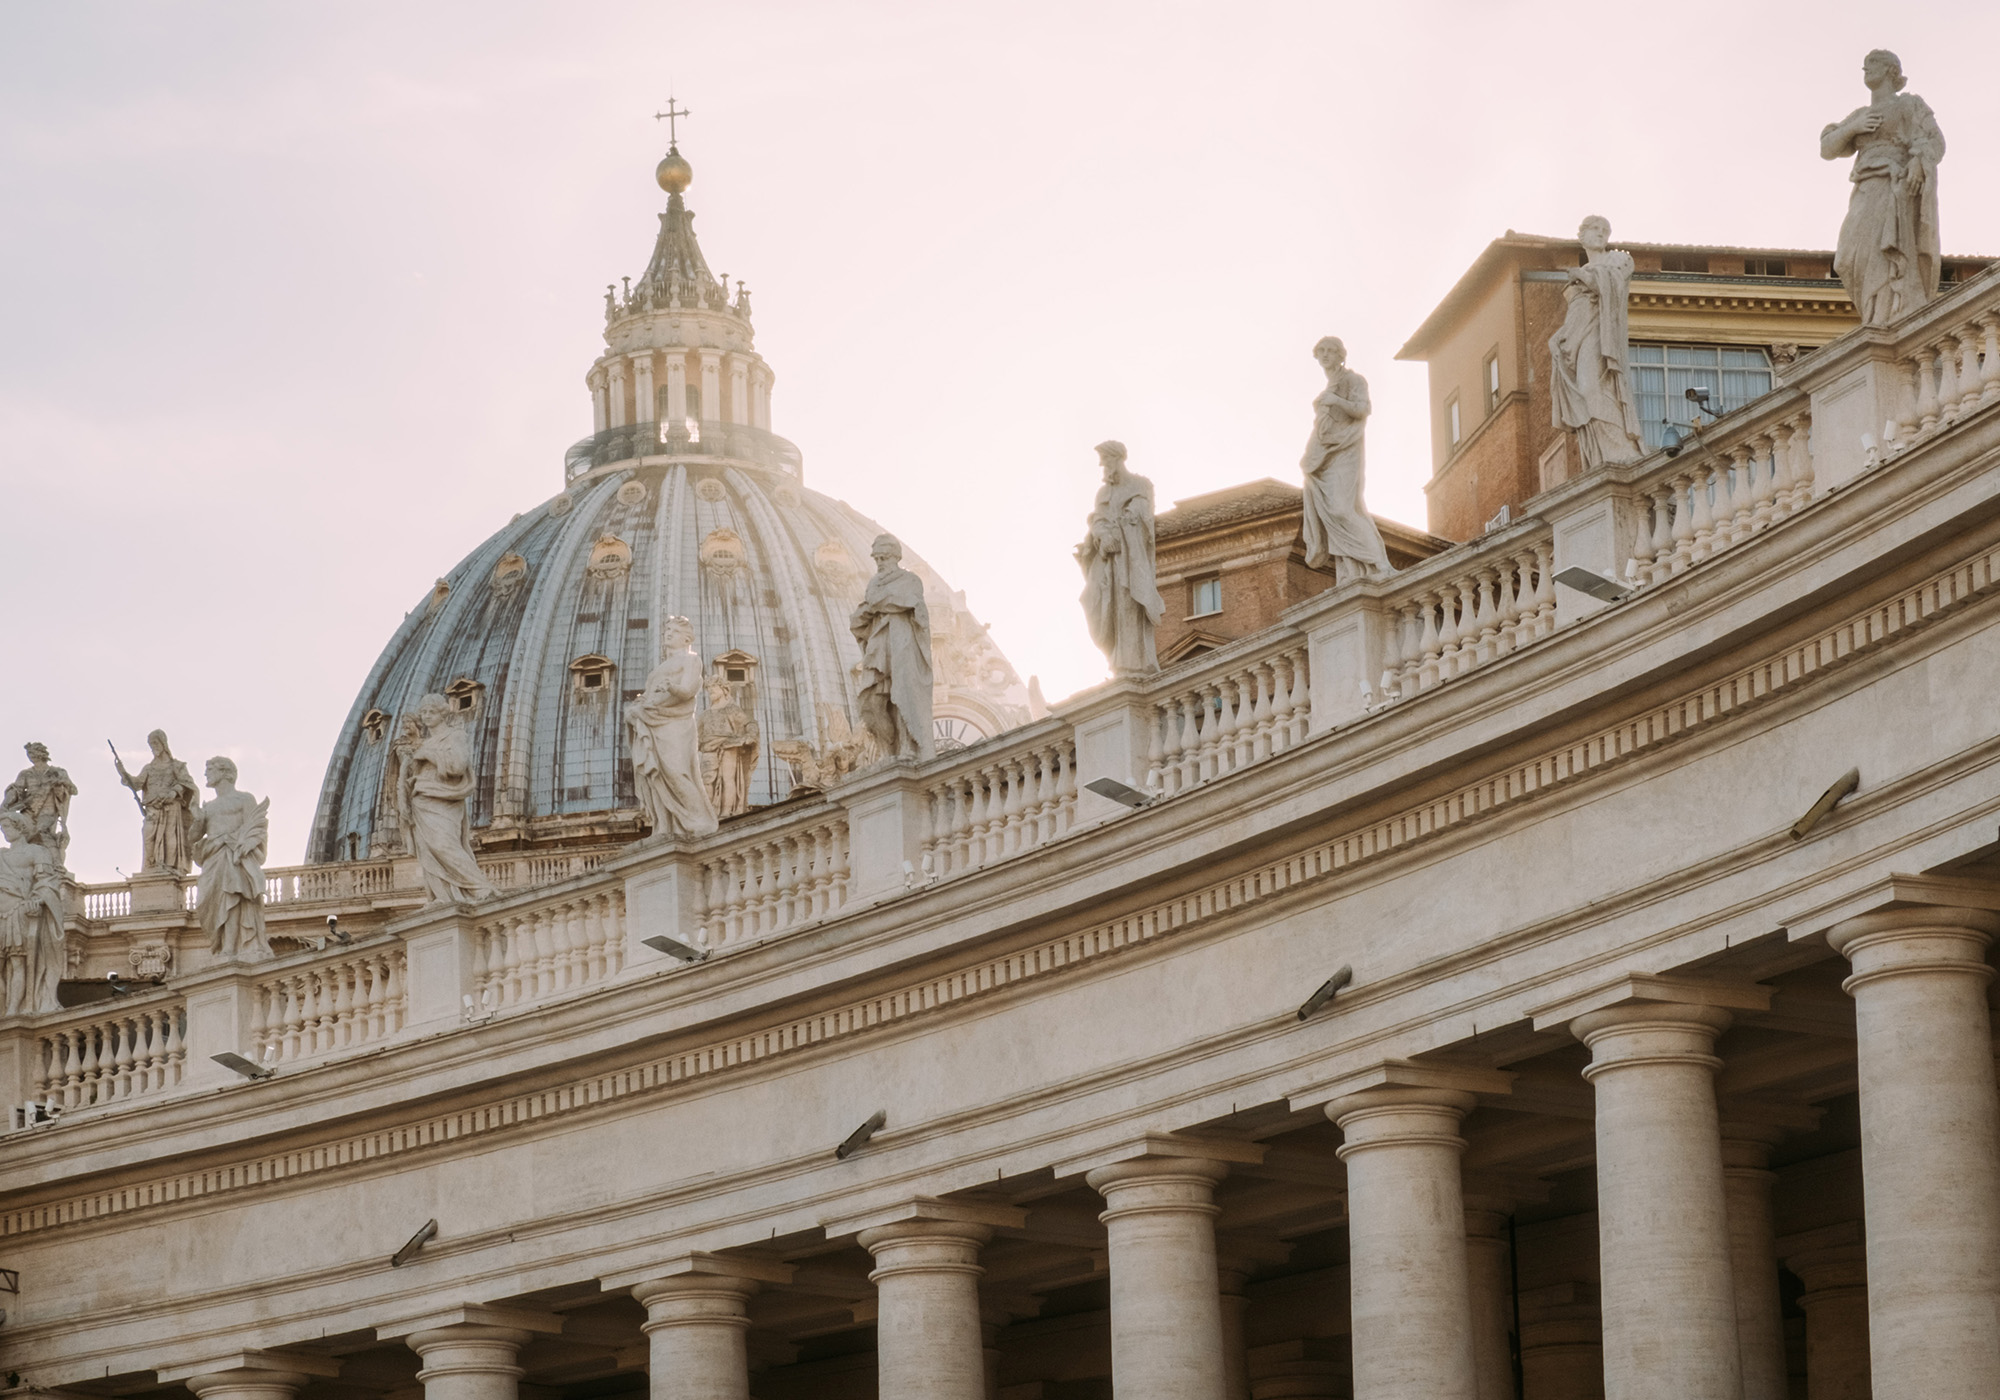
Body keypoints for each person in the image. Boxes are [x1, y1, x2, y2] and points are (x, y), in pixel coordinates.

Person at [1822, 49, 1945, 328]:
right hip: (1865, 189)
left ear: (1891, 70)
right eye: (1865, 64)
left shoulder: (1909, 105)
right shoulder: (1860, 115)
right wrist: (1852, 128)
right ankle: (1873, 314)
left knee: (1883, 250)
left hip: (1894, 186)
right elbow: (1827, 148)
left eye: (1873, 63)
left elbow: (1934, 141)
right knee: (1847, 258)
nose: (1865, 68)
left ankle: (1885, 315)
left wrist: (1918, 163)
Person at [1549, 215, 1646, 471]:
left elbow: (1613, 285)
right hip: (1578, 335)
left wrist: (1585, 276)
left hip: (1602, 335)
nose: (1601, 233)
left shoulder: (1617, 259)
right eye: (1594, 229)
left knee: (1591, 387)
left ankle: (1620, 450)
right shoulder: (1583, 271)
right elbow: (1577, 311)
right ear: (1581, 236)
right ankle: (1599, 457)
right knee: (1584, 392)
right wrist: (1561, 336)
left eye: (1605, 230)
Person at [1300, 337, 1394, 581]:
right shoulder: (1328, 387)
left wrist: (1336, 401)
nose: (1325, 355)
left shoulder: (1354, 380)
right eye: (1321, 351)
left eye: (1331, 351)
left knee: (1342, 509)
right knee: (1331, 514)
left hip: (1346, 449)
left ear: (1341, 355)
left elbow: (1363, 409)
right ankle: (1350, 572)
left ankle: (1380, 563)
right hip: (1323, 456)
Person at [395, 696, 498, 905]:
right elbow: (410, 775)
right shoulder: (423, 744)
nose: (426, 716)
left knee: (443, 844)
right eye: (423, 713)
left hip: (445, 798)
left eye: (431, 712)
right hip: (421, 801)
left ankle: (480, 888)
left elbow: (458, 766)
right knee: (428, 851)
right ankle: (442, 895)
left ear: (442, 713)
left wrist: (428, 754)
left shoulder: (455, 736)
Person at [1077, 440, 1165, 677]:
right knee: (1093, 601)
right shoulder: (1103, 493)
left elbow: (1141, 513)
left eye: (1105, 460)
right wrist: (1104, 536)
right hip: (1108, 558)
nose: (1102, 466)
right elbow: (1098, 519)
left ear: (1117, 459)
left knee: (1128, 603)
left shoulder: (1140, 484)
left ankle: (1132, 663)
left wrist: (1119, 532)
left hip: (1130, 557)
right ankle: (1116, 659)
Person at [626, 619, 720, 839]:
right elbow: (650, 696)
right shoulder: (659, 668)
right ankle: (665, 825)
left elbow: (687, 691)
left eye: (675, 631)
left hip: (675, 723)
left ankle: (699, 821)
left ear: (687, 638)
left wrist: (671, 687)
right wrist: (638, 707)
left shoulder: (691, 660)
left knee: (677, 772)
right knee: (657, 774)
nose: (668, 634)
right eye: (667, 630)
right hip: (653, 721)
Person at [849, 535, 935, 762]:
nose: (879, 562)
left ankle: (907, 746)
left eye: (884, 557)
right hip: (879, 648)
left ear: (896, 557)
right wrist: (875, 606)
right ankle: (887, 749)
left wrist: (879, 603)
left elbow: (909, 603)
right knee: (874, 700)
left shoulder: (910, 580)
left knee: (902, 695)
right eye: (877, 558)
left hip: (902, 645)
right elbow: (862, 616)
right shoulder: (873, 584)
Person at [189, 757, 271, 960]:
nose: (206, 774)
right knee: (210, 902)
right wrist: (197, 818)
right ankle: (222, 943)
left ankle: (230, 947)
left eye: (210, 769)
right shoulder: (208, 807)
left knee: (233, 897)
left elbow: (255, 828)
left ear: (225, 772)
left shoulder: (244, 799)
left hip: (234, 856)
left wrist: (241, 843)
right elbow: (193, 837)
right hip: (213, 859)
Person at [0, 811, 66, 1016]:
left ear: (19, 827)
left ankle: (13, 1011)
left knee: (18, 962)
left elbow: (47, 882)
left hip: (18, 912)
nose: (4, 832)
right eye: (2, 828)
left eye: (7, 827)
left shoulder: (36, 852)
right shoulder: (1, 855)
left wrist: (38, 899)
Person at [115, 730, 201, 875]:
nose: (153, 747)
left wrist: (174, 792)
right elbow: (136, 784)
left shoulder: (176, 766)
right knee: (148, 835)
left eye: (155, 743)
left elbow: (186, 783)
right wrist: (122, 772)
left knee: (170, 837)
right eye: (150, 744)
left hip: (171, 806)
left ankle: (169, 867)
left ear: (163, 743)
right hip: (152, 808)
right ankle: (151, 866)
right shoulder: (148, 768)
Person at [4, 742, 77, 871]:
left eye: (33, 753)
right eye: (29, 754)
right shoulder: (25, 774)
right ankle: (19, 865)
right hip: (28, 809)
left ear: (41, 753)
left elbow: (73, 790)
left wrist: (61, 782)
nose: (31, 756)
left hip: (48, 810)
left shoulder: (57, 772)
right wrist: (6, 804)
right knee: (21, 833)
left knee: (43, 832)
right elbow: (16, 790)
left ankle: (57, 864)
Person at [699, 678, 761, 819]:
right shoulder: (705, 714)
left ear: (724, 690)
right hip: (708, 748)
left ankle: (726, 813)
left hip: (729, 745)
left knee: (728, 779)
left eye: (714, 688)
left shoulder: (732, 709)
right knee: (706, 781)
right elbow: (695, 735)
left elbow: (750, 723)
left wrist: (750, 735)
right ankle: (709, 814)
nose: (710, 691)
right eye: (709, 689)